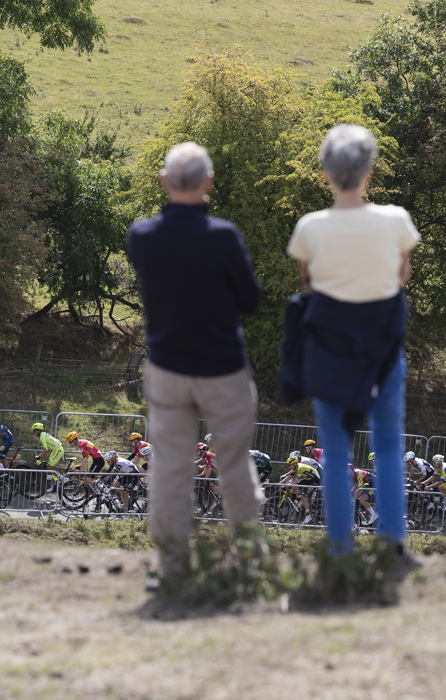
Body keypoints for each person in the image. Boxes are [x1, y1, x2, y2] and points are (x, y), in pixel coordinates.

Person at [127, 141, 262, 584]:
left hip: (166, 368)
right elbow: (250, 300)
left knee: (168, 466)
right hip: (222, 368)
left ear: (165, 181)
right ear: (208, 183)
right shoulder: (222, 236)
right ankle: (247, 561)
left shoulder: (142, 235)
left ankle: (172, 567)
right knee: (234, 463)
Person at [286, 123, 420, 553]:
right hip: (382, 352)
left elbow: (308, 284)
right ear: (369, 171)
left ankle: (341, 548)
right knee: (387, 443)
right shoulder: (396, 219)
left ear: (326, 172)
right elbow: (401, 276)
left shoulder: (310, 227)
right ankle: (392, 545)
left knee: (335, 449)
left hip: (329, 354)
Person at [279, 454, 321, 525]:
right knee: (295, 486)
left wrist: (285, 486)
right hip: (308, 479)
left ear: (295, 464)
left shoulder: (300, 468)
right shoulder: (296, 467)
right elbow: (289, 477)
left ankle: (308, 517)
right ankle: (300, 502)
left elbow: (295, 481)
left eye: (290, 465)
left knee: (304, 497)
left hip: (315, 480)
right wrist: (280, 483)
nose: (289, 467)